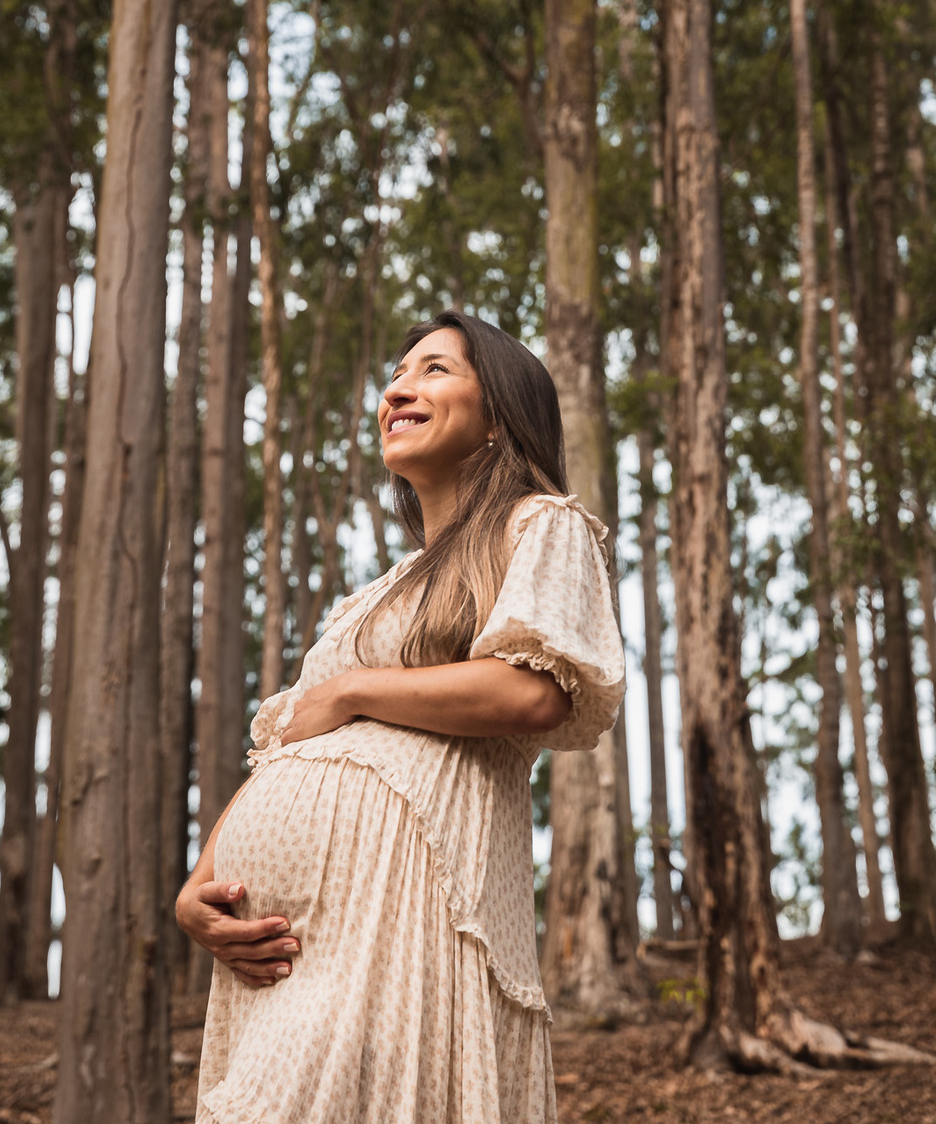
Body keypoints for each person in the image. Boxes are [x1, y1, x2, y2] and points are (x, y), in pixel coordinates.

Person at [176, 309, 626, 1124]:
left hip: (403, 922)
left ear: (499, 418)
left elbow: (533, 692)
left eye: (434, 369)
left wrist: (354, 691)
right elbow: (292, 743)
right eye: (395, 375)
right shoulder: (377, 594)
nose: (397, 390)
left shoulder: (539, 524)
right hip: (290, 952)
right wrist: (199, 884)